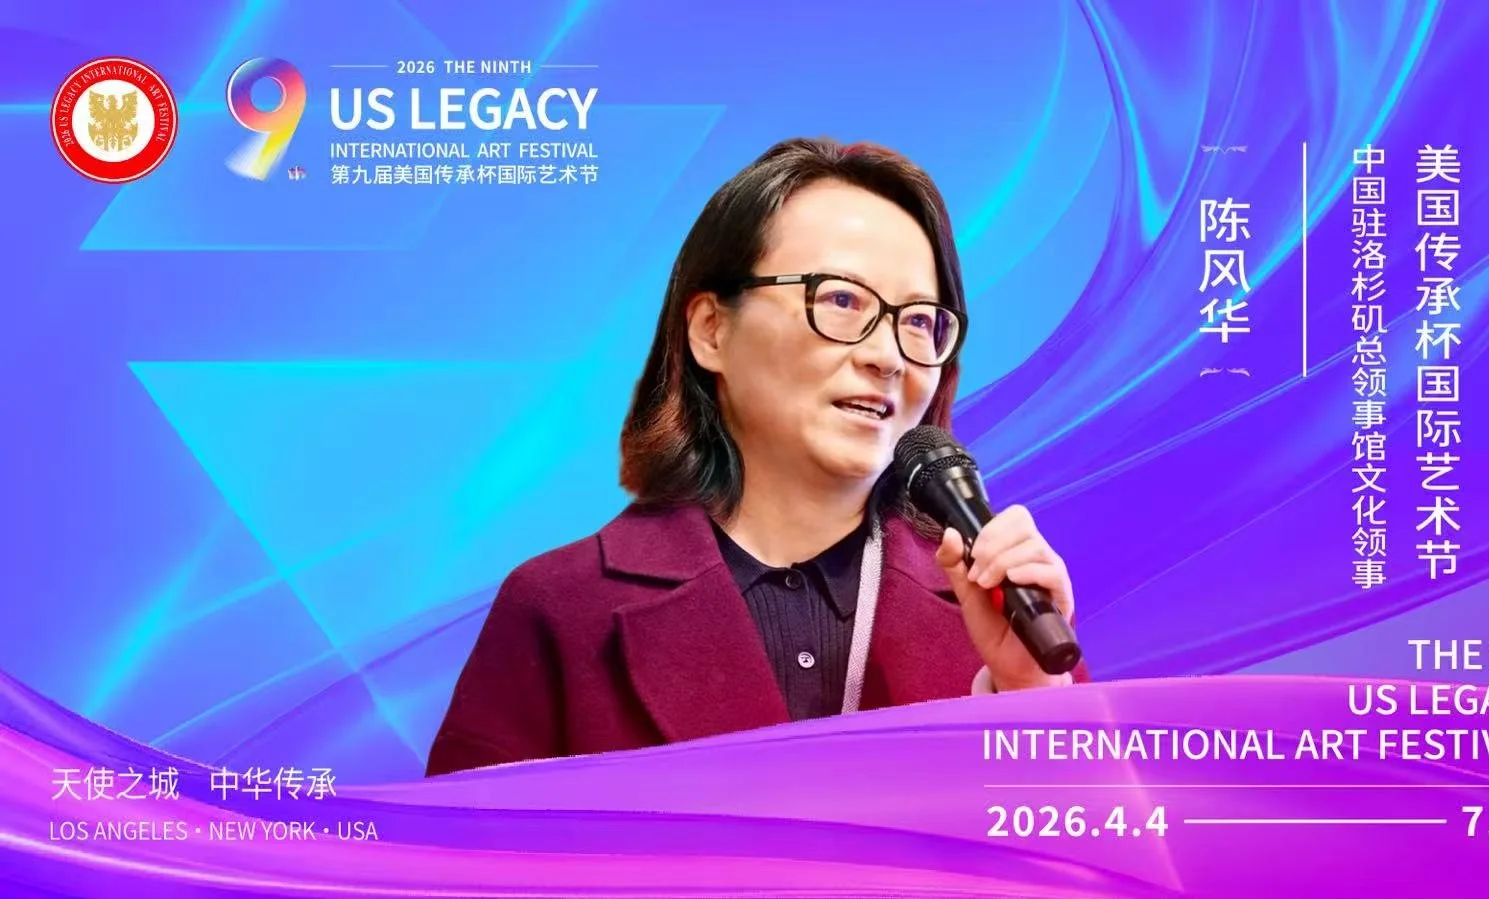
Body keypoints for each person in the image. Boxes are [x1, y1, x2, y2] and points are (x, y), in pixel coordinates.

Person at [425, 137, 1088, 776]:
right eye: (841, 300)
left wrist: (1029, 696)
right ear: (711, 331)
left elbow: (1103, 845)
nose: (888, 356)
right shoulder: (561, 609)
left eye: (918, 320)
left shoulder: (1008, 616)